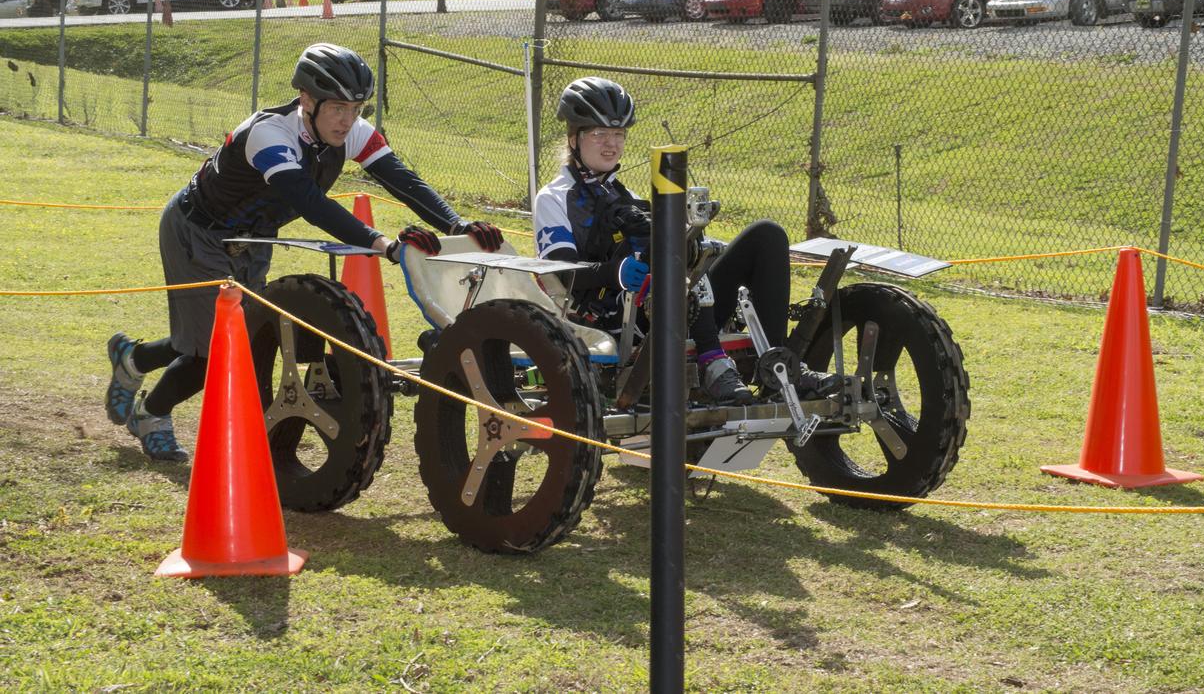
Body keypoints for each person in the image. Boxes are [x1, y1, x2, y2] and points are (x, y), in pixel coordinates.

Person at [106, 43, 505, 461]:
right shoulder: (268, 134)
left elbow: (401, 179)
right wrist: (384, 245)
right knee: (217, 348)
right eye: (337, 108)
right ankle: (152, 413)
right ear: (307, 100)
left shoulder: (351, 131)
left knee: (218, 334)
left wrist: (455, 224)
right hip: (196, 230)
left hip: (254, 237)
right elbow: (310, 203)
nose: (347, 120)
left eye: (357, 108)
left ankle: (132, 358)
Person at [532, 76, 837, 406]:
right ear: (574, 138)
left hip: (678, 307)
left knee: (766, 234)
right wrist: (616, 272)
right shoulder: (554, 198)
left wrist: (701, 245)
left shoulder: (628, 197)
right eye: (599, 133)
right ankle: (712, 362)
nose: (611, 144)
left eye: (618, 134)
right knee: (673, 248)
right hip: (618, 325)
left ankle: (777, 367)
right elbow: (563, 273)